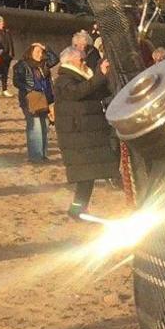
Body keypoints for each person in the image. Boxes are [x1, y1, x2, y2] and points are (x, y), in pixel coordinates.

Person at [52, 45, 114, 217]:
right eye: (81, 59)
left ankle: (79, 208)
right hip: (78, 134)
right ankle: (77, 209)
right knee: (85, 175)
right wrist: (100, 75)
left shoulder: (81, 77)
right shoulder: (64, 80)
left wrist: (105, 76)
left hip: (85, 133)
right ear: (70, 60)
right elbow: (78, 92)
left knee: (88, 175)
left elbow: (95, 91)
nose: (84, 62)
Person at [14, 41, 54, 164]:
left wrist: (44, 46)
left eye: (41, 52)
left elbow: (55, 59)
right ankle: (35, 156)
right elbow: (17, 81)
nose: (39, 54)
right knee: (34, 126)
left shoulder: (44, 64)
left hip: (45, 98)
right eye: (36, 51)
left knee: (45, 126)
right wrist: (29, 89)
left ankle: (43, 155)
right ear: (30, 52)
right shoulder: (22, 64)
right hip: (30, 99)